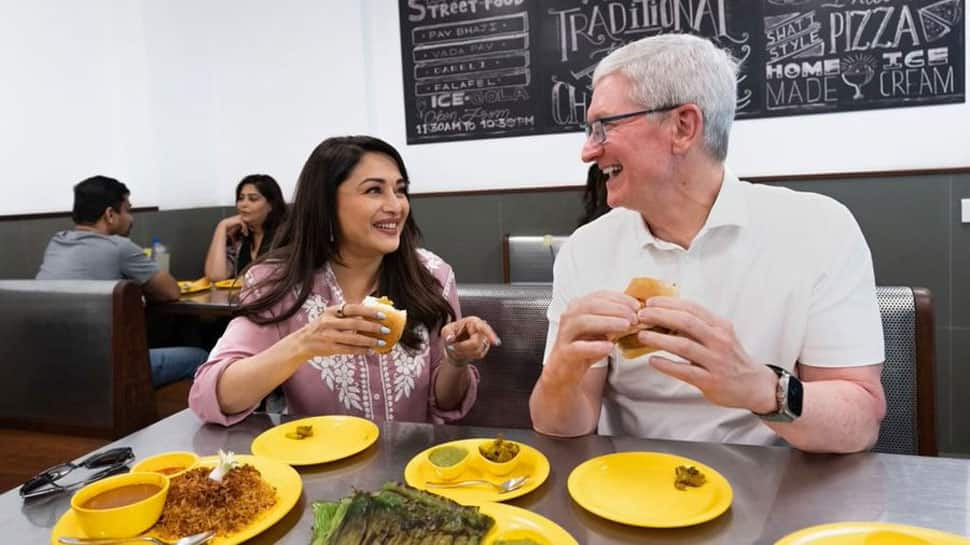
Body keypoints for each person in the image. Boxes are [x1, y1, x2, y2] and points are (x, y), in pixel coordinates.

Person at [529, 34, 886, 453]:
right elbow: (561, 428)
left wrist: (761, 388)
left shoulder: (820, 229)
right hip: (623, 487)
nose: (589, 151)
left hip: (774, 491)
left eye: (604, 126)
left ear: (683, 127)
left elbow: (860, 422)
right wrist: (561, 373)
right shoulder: (585, 250)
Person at [189, 136, 499, 425]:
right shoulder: (275, 280)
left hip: (413, 470)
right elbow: (210, 395)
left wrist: (455, 360)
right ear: (326, 203)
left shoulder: (432, 275)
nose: (396, 205)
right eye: (374, 190)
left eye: (400, 190)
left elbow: (446, 404)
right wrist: (304, 343)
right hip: (319, 474)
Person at [36, 176, 207, 388]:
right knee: (200, 358)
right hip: (103, 370)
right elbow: (171, 292)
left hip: (49, 367)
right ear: (110, 215)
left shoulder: (57, 242)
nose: (131, 218)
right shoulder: (119, 247)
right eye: (128, 210)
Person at [204, 174, 287, 281]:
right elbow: (216, 276)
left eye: (253, 199)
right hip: (242, 296)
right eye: (241, 198)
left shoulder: (286, 234)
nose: (243, 204)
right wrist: (221, 227)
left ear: (270, 205)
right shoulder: (237, 235)